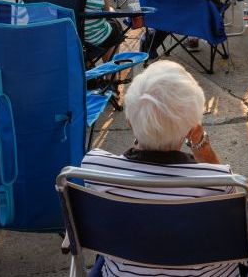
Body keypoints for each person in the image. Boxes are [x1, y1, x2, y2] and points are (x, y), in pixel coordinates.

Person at [79, 60, 237, 277]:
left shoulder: (95, 168)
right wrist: (200, 141)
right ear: (192, 127)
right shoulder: (219, 183)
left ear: (129, 121)